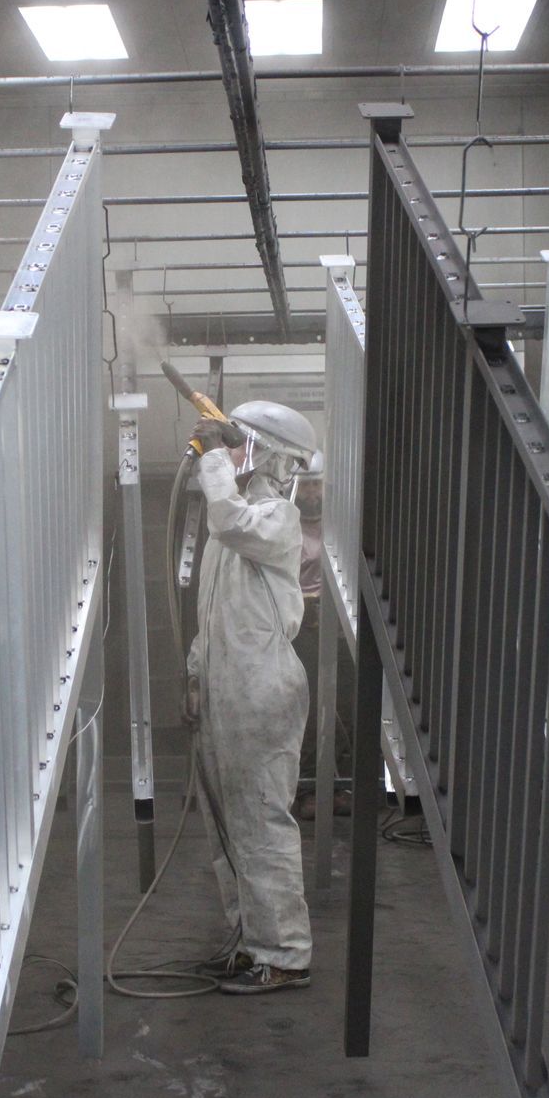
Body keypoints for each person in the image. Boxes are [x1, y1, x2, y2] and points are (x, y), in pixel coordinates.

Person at [187, 400, 318, 995]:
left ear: (266, 453)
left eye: (239, 441)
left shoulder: (274, 518)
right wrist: (195, 677)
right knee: (227, 825)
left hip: (261, 688)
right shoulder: (228, 530)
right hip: (225, 689)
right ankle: (250, 943)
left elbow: (228, 518)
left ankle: (284, 955)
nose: (229, 450)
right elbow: (212, 615)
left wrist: (215, 457)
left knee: (260, 822)